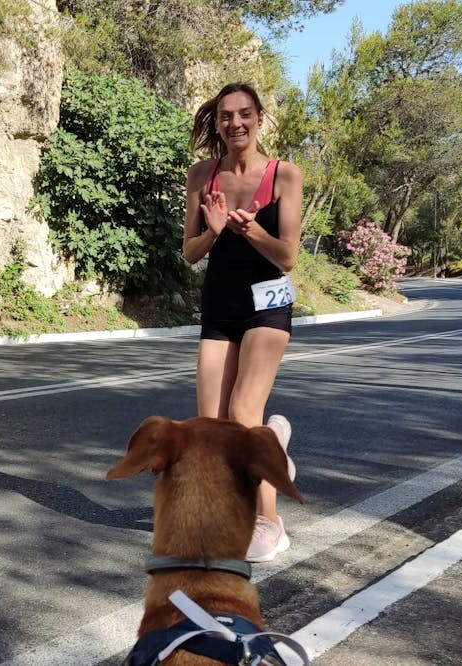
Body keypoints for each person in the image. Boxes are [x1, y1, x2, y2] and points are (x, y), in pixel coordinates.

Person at [182, 82, 303, 562]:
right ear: (216, 122)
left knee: (243, 414)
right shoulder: (201, 176)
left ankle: (268, 523)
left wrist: (251, 228)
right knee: (211, 427)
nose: (235, 123)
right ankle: (271, 446)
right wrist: (212, 234)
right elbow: (190, 252)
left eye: (245, 113)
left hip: (268, 304)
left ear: (259, 118)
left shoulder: (284, 175)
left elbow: (288, 256)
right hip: (220, 304)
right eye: (226, 115)